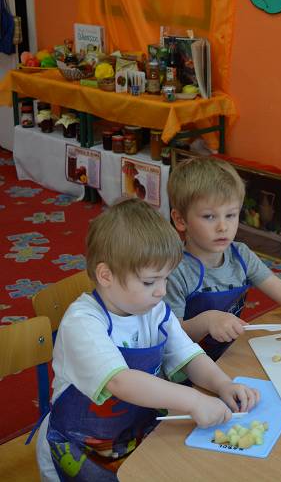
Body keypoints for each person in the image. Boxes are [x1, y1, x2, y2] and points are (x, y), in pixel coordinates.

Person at [36, 198, 260, 482]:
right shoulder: (83, 323)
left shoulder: (154, 311)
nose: (161, 291)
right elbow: (121, 381)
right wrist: (193, 400)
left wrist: (222, 384)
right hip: (78, 447)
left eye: (166, 278)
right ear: (106, 275)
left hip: (134, 434)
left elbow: (188, 356)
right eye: (149, 282)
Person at [165, 157, 281, 361]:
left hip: (229, 355)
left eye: (231, 215)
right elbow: (172, 338)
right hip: (185, 366)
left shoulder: (241, 255)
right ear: (180, 220)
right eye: (209, 217)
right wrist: (207, 321)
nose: (223, 227)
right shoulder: (174, 270)